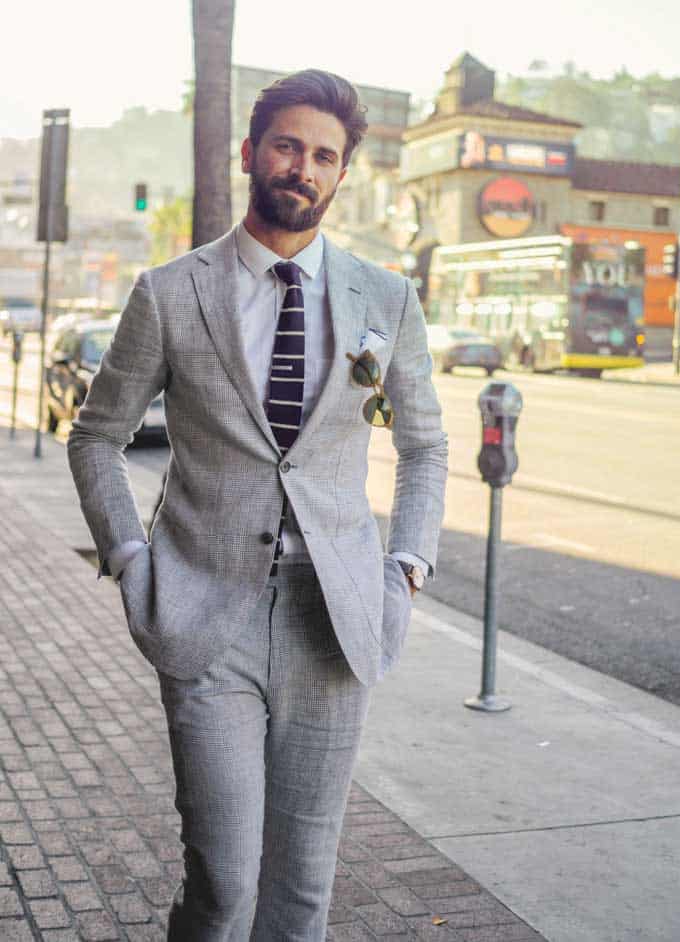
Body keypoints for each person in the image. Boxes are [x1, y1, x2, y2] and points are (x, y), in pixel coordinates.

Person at [68, 69, 448, 941]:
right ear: (251, 152)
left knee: (303, 893)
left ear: (342, 172)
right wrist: (131, 561)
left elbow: (422, 443)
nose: (302, 168)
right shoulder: (170, 293)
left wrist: (407, 566)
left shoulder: (384, 299)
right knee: (225, 885)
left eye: (324, 155)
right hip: (208, 617)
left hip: (335, 620)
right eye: (288, 145)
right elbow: (95, 437)